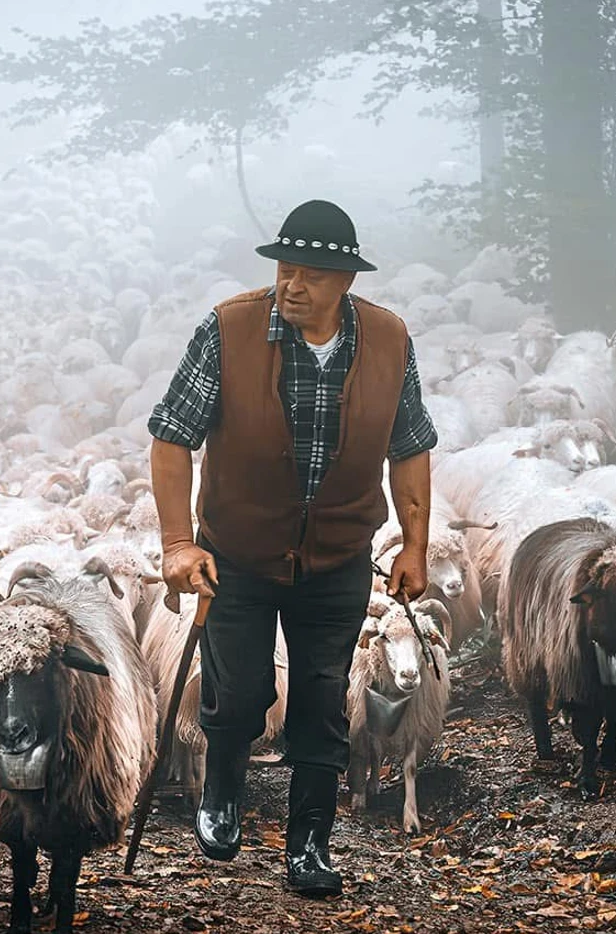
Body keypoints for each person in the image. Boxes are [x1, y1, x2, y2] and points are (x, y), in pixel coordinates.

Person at [149, 200, 437, 897]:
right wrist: (178, 543)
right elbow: (171, 437)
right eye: (285, 268)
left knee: (318, 698)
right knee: (241, 689)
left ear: (345, 279)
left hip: (337, 554)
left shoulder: (388, 340)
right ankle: (221, 790)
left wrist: (414, 545)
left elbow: (409, 448)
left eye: (310, 272)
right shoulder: (229, 329)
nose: (291, 283)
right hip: (237, 553)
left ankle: (309, 842)